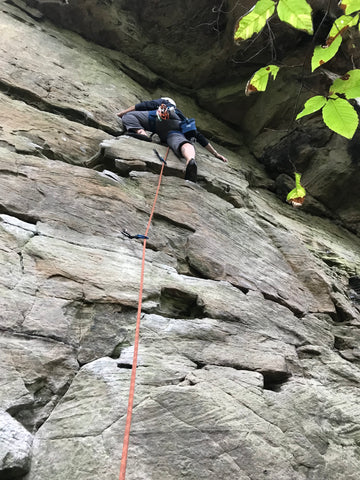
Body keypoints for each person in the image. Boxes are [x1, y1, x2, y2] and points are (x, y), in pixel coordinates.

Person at [117, 97, 228, 182]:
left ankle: (142, 134)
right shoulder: (183, 118)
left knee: (130, 116)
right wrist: (216, 153)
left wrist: (122, 113)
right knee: (182, 143)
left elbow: (143, 105)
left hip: (158, 118)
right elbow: (199, 137)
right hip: (174, 128)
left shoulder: (164, 102)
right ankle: (190, 160)